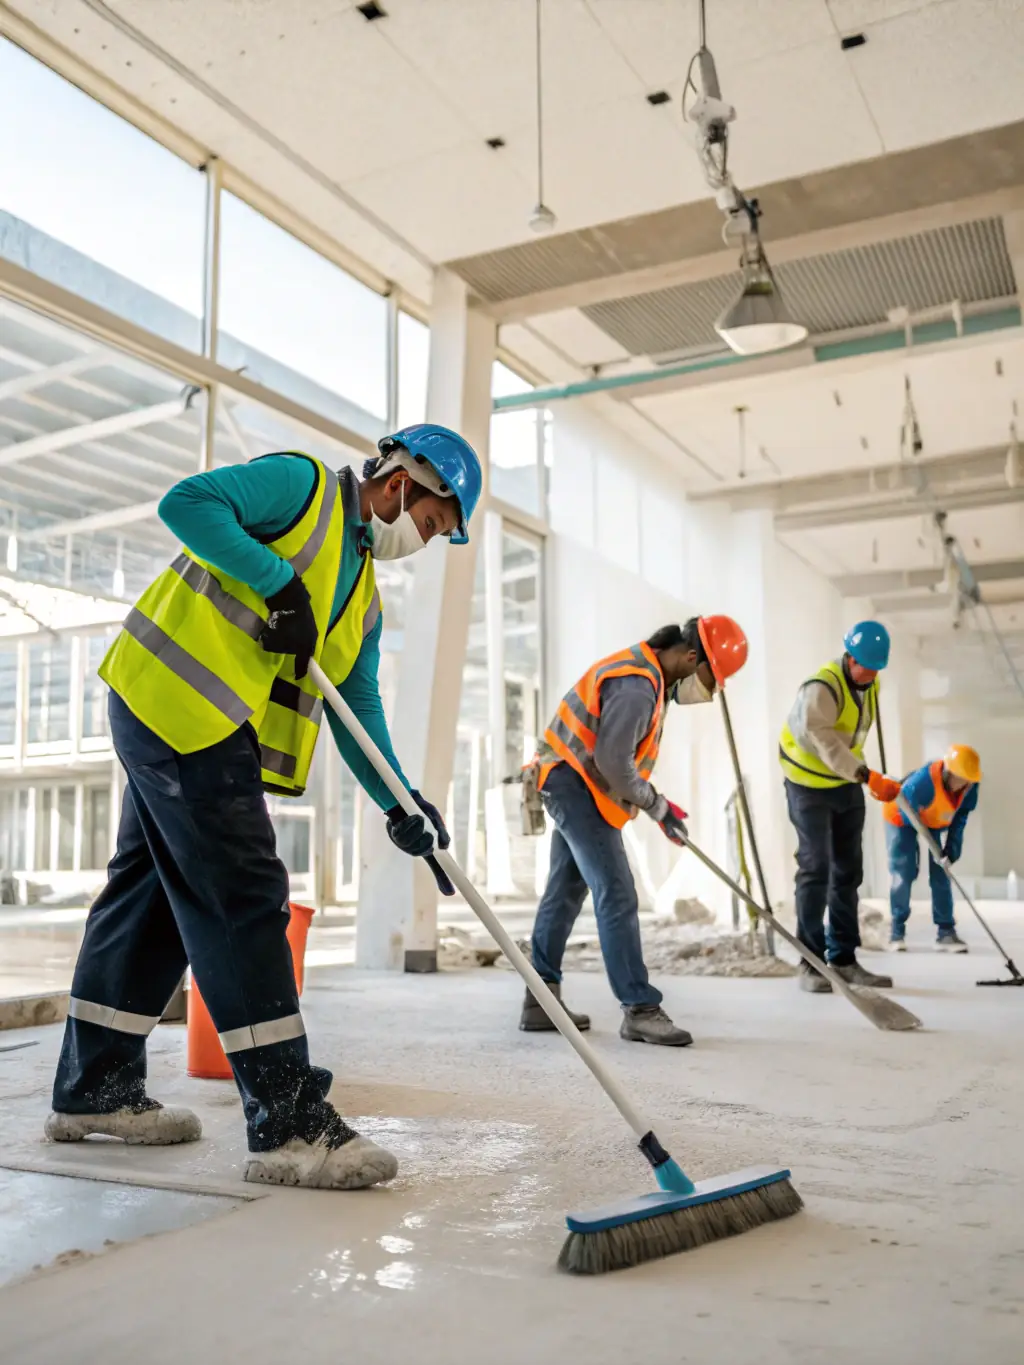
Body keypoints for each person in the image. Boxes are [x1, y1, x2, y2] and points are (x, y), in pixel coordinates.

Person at [45, 424, 482, 1192]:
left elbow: (359, 704)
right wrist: (275, 580)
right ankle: (289, 1122)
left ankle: (94, 1088)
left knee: (145, 897)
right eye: (434, 522)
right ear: (405, 484)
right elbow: (188, 503)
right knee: (244, 895)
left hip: (196, 721)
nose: (426, 539)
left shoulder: (363, 600)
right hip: (176, 703)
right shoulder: (302, 487)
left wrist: (399, 799)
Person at [520, 616, 748, 1047]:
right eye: (711, 679)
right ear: (692, 657)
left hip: (567, 780)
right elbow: (613, 764)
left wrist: (657, 809)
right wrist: (657, 804)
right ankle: (640, 1009)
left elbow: (615, 765)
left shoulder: (646, 677)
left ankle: (541, 1000)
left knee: (565, 891)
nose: (710, 691)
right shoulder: (639, 687)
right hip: (573, 785)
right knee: (618, 894)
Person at [778, 621, 902, 993]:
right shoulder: (820, 689)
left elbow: (855, 735)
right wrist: (866, 775)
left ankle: (844, 959)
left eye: (876, 667)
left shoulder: (871, 682)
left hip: (845, 782)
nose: (870, 673)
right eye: (864, 665)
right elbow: (826, 744)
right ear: (849, 657)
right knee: (816, 868)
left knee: (848, 871)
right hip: (808, 784)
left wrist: (865, 775)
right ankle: (811, 963)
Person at [883, 745, 980, 953]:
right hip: (901, 818)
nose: (964, 784)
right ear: (948, 773)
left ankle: (945, 932)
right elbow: (906, 808)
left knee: (941, 873)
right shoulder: (922, 783)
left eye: (968, 780)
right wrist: (928, 840)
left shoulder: (970, 787)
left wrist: (950, 851)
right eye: (960, 778)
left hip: (932, 820)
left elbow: (959, 820)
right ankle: (896, 931)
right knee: (905, 871)